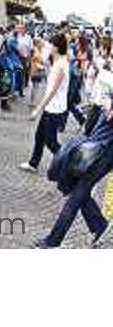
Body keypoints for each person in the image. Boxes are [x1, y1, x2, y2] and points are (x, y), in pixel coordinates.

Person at [34, 96, 113, 248]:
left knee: (76, 195)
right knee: (77, 191)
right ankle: (99, 224)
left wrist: (107, 105)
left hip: (103, 152)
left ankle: (53, 241)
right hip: (98, 147)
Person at [20, 33, 70, 173]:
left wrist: (38, 109)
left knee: (51, 142)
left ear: (57, 47)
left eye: (51, 45)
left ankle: (67, 164)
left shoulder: (60, 65)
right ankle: (33, 163)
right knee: (39, 136)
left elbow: (52, 91)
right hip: (52, 107)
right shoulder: (60, 62)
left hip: (55, 108)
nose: (49, 47)